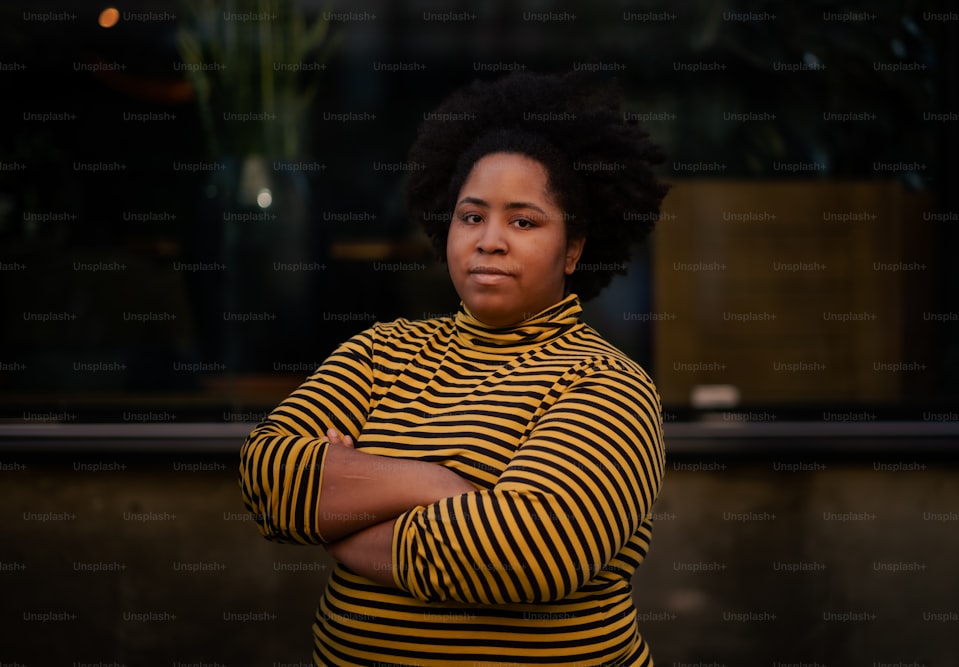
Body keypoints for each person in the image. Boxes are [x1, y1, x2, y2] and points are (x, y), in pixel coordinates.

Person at [239, 70, 670, 666]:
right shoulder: (380, 350)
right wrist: (437, 487)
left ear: (573, 248)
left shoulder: (605, 383)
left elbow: (529, 553)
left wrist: (344, 517)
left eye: (523, 221)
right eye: (472, 217)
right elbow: (269, 475)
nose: (490, 240)